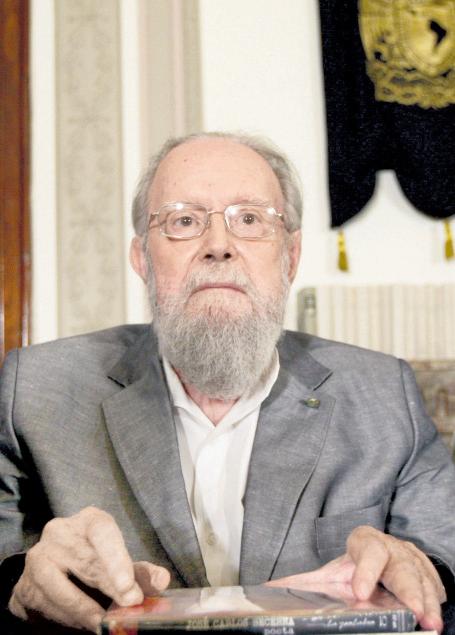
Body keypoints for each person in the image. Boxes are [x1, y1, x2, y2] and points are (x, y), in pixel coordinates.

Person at [0, 132, 454, 634]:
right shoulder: (33, 390)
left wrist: (419, 569)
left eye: (250, 220)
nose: (218, 246)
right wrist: (19, 579)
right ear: (142, 260)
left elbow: (442, 551)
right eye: (184, 221)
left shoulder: (386, 394)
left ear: (291, 256)